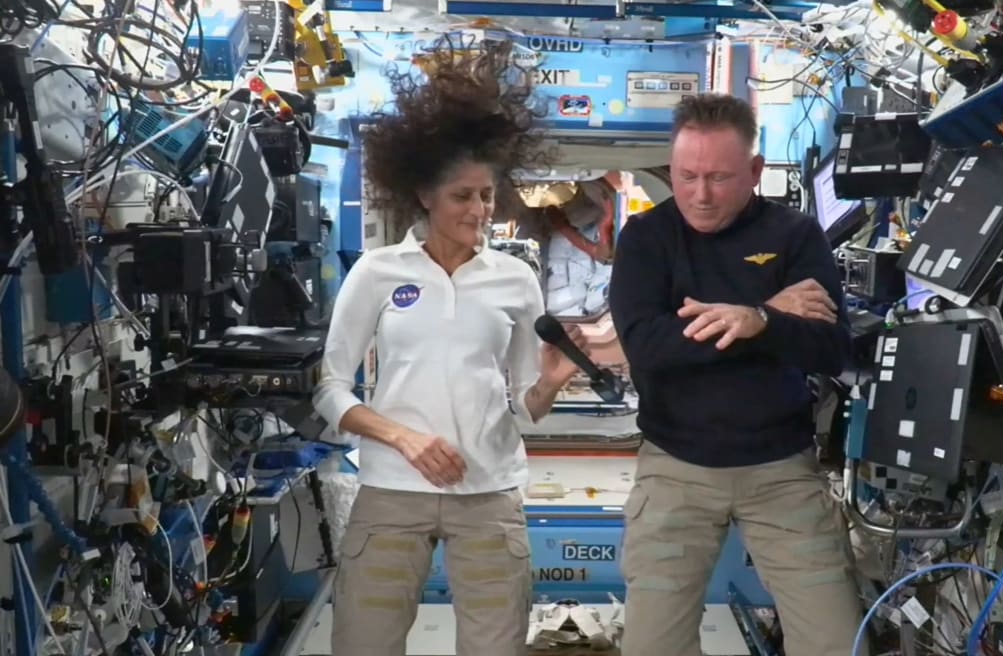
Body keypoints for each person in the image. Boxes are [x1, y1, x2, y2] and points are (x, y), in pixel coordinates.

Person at [312, 40, 588, 656]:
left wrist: (549, 383)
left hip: (488, 492)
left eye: (487, 195)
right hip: (391, 489)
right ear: (425, 196)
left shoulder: (515, 279)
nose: (479, 210)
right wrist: (404, 438)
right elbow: (331, 390)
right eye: (463, 196)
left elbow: (523, 405)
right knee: (363, 644)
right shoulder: (378, 273)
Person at [608, 93, 866, 656]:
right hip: (676, 469)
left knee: (836, 642)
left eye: (719, 178)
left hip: (781, 471)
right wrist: (765, 318)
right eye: (686, 176)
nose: (700, 195)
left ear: (754, 172)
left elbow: (831, 348)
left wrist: (759, 320)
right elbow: (646, 348)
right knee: (652, 645)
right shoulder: (647, 238)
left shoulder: (795, 236)